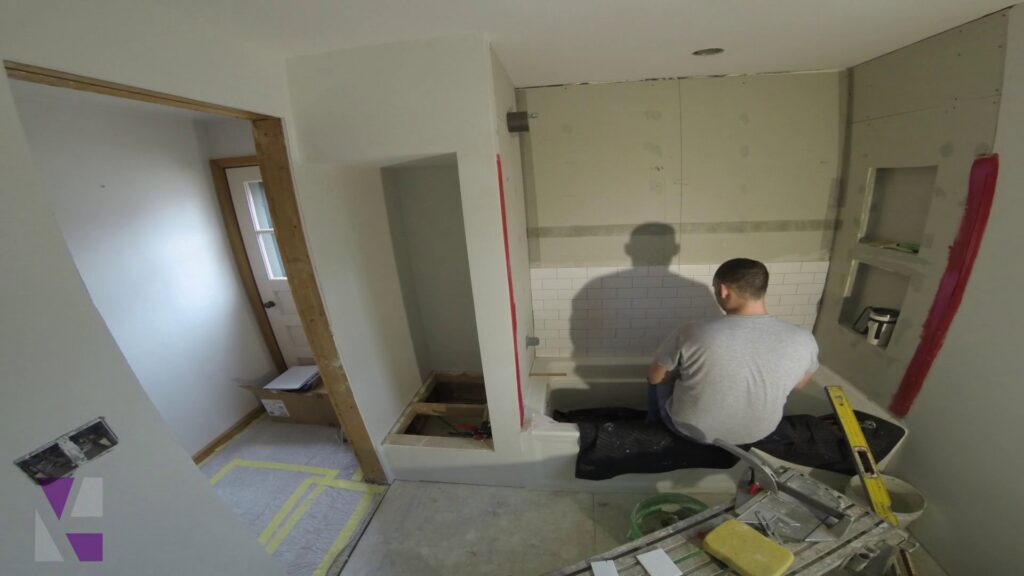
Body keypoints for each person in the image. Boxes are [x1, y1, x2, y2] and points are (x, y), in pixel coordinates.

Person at [646, 258, 818, 445]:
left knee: (658, 379)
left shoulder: (692, 332)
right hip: (758, 433)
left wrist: (681, 374)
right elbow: (799, 384)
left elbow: (655, 378)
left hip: (691, 432)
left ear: (723, 289)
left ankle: (655, 428)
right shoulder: (804, 339)